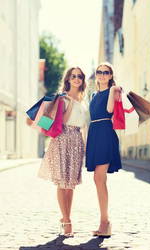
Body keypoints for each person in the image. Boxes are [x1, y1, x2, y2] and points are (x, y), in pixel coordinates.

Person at [38, 66, 87, 237]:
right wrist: (71, 103)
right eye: (73, 76)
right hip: (62, 139)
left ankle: (67, 216)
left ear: (82, 79)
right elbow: (63, 121)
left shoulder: (83, 100)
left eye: (79, 76)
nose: (76, 79)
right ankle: (67, 221)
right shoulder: (62, 98)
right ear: (67, 79)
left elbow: (84, 124)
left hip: (76, 140)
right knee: (61, 182)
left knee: (70, 184)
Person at [85, 62, 122, 238]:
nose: (102, 75)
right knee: (97, 178)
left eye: (106, 72)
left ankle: (105, 222)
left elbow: (109, 110)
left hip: (106, 134)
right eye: (99, 72)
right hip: (94, 135)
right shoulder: (93, 94)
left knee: (100, 177)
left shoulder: (112, 92)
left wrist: (113, 89)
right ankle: (104, 221)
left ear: (110, 75)